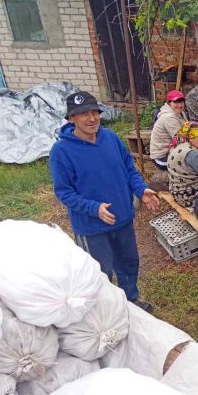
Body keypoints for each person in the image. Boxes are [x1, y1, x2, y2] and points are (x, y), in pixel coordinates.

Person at [49, 91, 159, 312]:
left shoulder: (110, 138)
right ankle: (105, 311)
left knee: (128, 263)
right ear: (71, 119)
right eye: (83, 114)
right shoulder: (62, 151)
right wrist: (94, 208)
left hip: (123, 218)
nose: (91, 119)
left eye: (94, 112)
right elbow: (64, 192)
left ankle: (131, 301)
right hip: (92, 227)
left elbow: (129, 168)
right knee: (100, 272)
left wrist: (141, 190)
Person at [167, 121, 198, 208]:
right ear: (191, 137)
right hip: (189, 196)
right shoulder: (192, 154)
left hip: (177, 191)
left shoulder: (180, 145)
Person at [149, 89, 188, 170]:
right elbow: (182, 139)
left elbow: (187, 130)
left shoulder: (180, 112)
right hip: (162, 157)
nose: (180, 105)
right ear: (169, 103)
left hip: (172, 150)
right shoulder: (168, 117)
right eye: (176, 102)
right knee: (190, 162)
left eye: (181, 102)